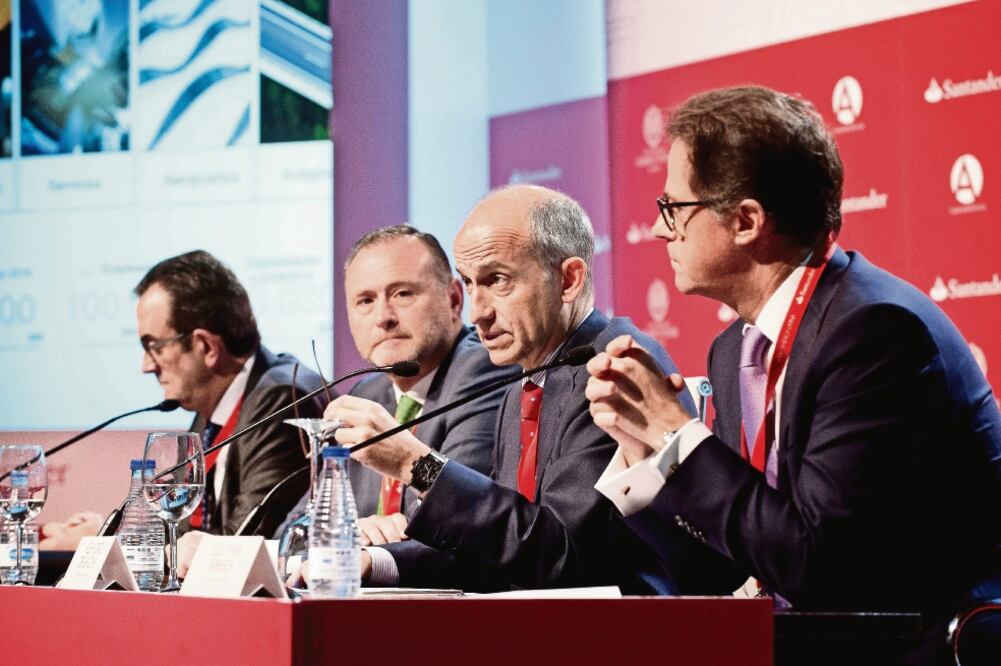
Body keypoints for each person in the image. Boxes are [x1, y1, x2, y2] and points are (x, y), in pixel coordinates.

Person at [585, 86, 1001, 661]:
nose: (659, 230)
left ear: (747, 221)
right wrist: (647, 456)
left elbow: (822, 566)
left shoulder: (874, 333)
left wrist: (676, 437)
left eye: (673, 209)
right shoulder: (734, 350)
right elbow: (733, 568)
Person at [326, 184, 693, 592]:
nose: (478, 312)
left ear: (568, 280)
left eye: (497, 280)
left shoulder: (613, 367)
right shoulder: (527, 381)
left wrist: (419, 466)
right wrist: (372, 562)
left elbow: (563, 555)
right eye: (470, 285)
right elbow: (497, 545)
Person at [278, 225, 517, 546]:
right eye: (365, 301)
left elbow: (459, 516)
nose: (383, 317)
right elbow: (295, 527)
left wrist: (364, 547)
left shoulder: (480, 370)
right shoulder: (366, 393)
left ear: (454, 299)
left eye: (402, 294)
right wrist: (351, 534)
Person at [134, 250, 326, 571]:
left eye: (154, 346)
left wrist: (137, 548)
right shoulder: (210, 410)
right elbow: (179, 525)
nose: (145, 365)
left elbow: (246, 540)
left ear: (206, 346)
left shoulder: (280, 397)